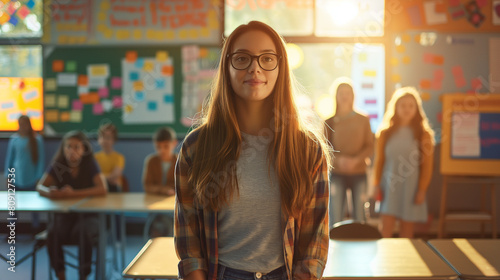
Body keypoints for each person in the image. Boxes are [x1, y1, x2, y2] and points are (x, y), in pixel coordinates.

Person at [175, 21, 332, 280]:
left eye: (267, 58)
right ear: (226, 67)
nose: (255, 67)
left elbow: (314, 242)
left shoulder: (308, 150)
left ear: (281, 68)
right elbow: (188, 236)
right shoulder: (196, 148)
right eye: (242, 58)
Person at [37, 131, 107, 280]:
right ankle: (61, 275)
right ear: (63, 148)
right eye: (68, 147)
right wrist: (50, 193)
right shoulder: (59, 165)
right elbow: (40, 187)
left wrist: (72, 194)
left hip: (88, 215)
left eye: (76, 147)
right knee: (52, 233)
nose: (72, 151)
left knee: (83, 233)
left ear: (84, 149)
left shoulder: (90, 164)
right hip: (65, 215)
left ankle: (83, 276)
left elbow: (102, 189)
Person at [373, 87, 435, 238]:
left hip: (411, 187)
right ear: (395, 107)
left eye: (411, 105)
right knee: (385, 230)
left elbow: (427, 167)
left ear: (417, 109)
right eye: (403, 105)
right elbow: (379, 161)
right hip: (389, 186)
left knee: (407, 233)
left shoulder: (424, 135)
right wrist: (376, 185)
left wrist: (422, 190)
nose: (407, 109)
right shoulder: (385, 133)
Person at [325, 81, 374, 227]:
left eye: (348, 93)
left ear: (353, 96)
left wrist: (356, 160)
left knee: (360, 216)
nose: (345, 96)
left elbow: (370, 146)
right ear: (336, 96)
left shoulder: (363, 120)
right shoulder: (329, 122)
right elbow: (325, 148)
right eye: (341, 93)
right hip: (337, 174)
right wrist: (339, 161)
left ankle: (360, 247)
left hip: (359, 173)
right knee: (335, 216)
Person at [4, 115, 45, 231]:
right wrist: (8, 176)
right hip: (17, 178)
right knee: (13, 207)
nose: (22, 127)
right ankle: (12, 230)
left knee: (34, 206)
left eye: (24, 124)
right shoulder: (14, 140)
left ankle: (35, 229)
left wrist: (39, 178)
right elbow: (10, 160)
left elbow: (40, 161)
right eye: (20, 124)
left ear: (29, 125)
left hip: (32, 178)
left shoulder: (37, 140)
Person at [142, 127, 178, 237]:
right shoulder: (151, 161)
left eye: (166, 146)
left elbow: (183, 186)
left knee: (170, 225)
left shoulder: (179, 160)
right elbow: (147, 186)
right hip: (154, 205)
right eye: (158, 147)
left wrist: (162, 188)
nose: (161, 150)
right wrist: (163, 189)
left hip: (173, 206)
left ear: (174, 143)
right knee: (156, 225)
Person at [94, 123, 125, 192]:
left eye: (108, 138)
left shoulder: (119, 157)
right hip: (99, 189)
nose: (104, 140)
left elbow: (115, 176)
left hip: (114, 189)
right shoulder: (94, 157)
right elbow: (92, 177)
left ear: (114, 140)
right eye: (102, 137)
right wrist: (107, 178)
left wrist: (100, 178)